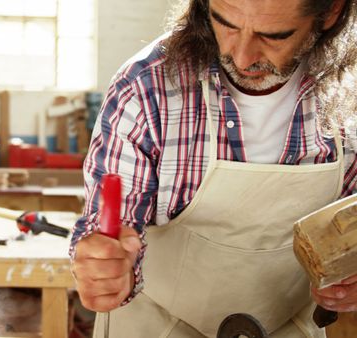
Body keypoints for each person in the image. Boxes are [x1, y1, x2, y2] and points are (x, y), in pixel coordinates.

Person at [70, 0, 357, 337]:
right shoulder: (146, 87)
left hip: (288, 326)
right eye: (226, 23)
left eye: (273, 35)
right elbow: (109, 229)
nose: (241, 57)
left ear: (332, 12)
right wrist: (103, 269)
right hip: (156, 325)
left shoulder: (349, 88)